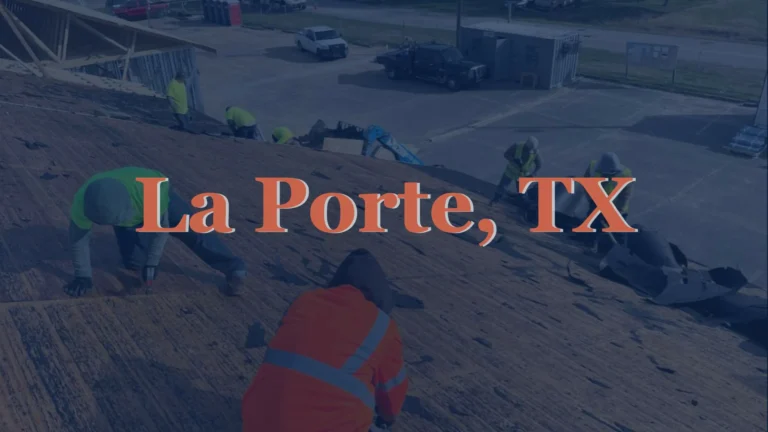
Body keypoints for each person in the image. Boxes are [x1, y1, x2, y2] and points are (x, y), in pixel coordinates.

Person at [241, 249, 408, 432]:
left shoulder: (305, 301)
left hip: (256, 423)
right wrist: (386, 420)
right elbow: (392, 396)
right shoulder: (383, 325)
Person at [64, 167, 247, 297]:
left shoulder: (150, 193)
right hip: (130, 210)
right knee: (134, 263)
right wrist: (83, 275)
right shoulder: (83, 202)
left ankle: (234, 268)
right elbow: (78, 239)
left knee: (194, 233)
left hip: (160, 195)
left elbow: (161, 231)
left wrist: (152, 263)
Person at [489, 136, 542, 205]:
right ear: (526, 145)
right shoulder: (517, 146)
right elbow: (506, 154)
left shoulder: (535, 153)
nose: (529, 151)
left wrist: (533, 174)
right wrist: (514, 160)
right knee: (502, 187)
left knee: (522, 192)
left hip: (522, 175)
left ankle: (522, 204)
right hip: (510, 172)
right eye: (528, 149)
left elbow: (539, 165)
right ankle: (495, 200)